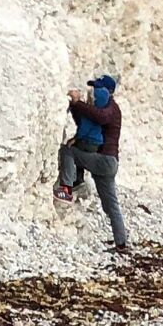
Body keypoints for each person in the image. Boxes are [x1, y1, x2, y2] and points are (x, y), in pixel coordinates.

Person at [55, 72, 128, 251]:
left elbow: (99, 117)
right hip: (107, 163)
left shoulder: (111, 109)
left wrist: (78, 103)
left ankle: (67, 189)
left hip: (105, 161)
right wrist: (76, 106)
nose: (94, 91)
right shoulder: (104, 107)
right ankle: (121, 244)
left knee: (70, 152)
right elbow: (87, 118)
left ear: (108, 91)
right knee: (110, 205)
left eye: (97, 88)